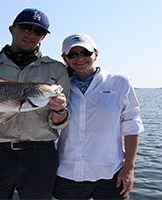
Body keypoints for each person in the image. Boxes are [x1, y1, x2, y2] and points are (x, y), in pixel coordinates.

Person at [0, 8, 70, 199]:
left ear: (43, 37)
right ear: (12, 29)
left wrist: (60, 110)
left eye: (39, 31)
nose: (31, 34)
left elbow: (59, 122)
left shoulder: (57, 69)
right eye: (26, 28)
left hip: (41, 155)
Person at [53, 33, 144, 199]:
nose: (79, 58)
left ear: (96, 54)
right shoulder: (59, 88)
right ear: (65, 58)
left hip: (112, 174)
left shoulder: (120, 83)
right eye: (73, 54)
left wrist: (129, 168)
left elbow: (131, 126)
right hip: (69, 173)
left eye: (85, 53)